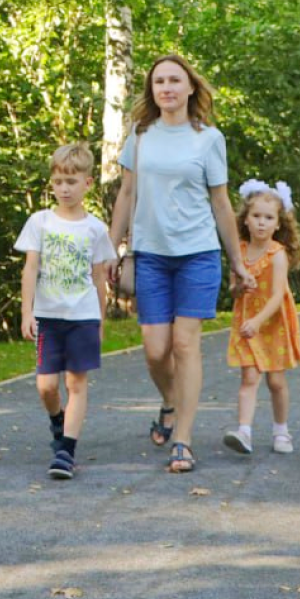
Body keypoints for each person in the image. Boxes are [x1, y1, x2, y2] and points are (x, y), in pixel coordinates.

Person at [107, 54, 253, 475]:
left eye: (174, 80)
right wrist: (110, 248)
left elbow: (221, 202)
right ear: (152, 91)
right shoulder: (141, 135)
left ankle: (183, 441)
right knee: (156, 350)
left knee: (186, 345)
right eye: (159, 82)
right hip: (150, 254)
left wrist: (237, 261)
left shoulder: (209, 139)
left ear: (190, 88)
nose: (166, 88)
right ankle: (170, 402)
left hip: (198, 254)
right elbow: (127, 195)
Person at [15, 143, 116, 481]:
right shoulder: (39, 222)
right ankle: (58, 420)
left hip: (83, 316)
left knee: (76, 382)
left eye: (71, 181)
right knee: (46, 386)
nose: (64, 188)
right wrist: (27, 312)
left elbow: (100, 276)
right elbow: (30, 269)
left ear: (87, 183)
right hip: (48, 316)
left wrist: (101, 318)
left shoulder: (96, 229)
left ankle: (66, 452)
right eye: (58, 181)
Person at [223, 179, 300, 456]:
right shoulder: (239, 252)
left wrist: (259, 321)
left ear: (278, 224)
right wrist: (240, 287)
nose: (261, 223)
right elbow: (232, 290)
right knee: (249, 377)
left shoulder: (277, 255)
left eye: (268, 218)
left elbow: (277, 296)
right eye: (256, 216)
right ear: (245, 220)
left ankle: (281, 430)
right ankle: (244, 431)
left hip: (272, 324)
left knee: (275, 381)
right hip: (247, 322)